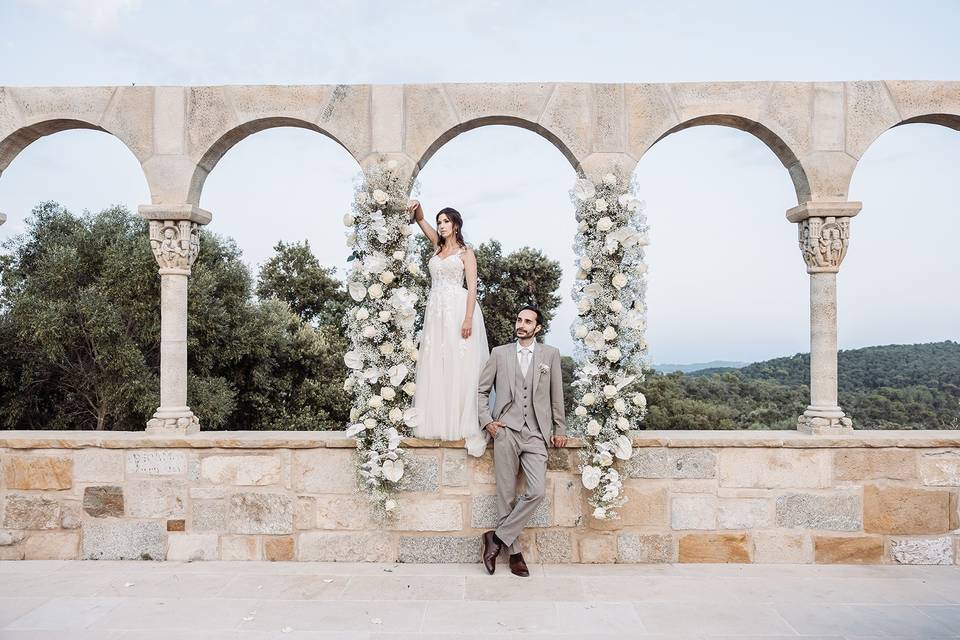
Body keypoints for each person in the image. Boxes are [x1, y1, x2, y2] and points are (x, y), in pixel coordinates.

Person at [476, 306, 567, 577]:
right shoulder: (499, 354)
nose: (522, 325)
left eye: (528, 321)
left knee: (536, 491)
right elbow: (481, 391)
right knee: (506, 494)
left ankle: (497, 537)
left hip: (537, 434)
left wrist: (560, 428)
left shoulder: (550, 355)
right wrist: (488, 422)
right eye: (519, 320)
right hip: (505, 431)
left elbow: (556, 396)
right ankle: (514, 554)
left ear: (538, 328)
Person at [407, 200, 489, 457]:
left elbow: (473, 287)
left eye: (446, 222)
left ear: (456, 226)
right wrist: (416, 205)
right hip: (436, 312)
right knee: (436, 363)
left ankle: (460, 424)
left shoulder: (466, 252)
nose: (441, 226)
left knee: (459, 363)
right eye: (439, 221)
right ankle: (437, 423)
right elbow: (420, 219)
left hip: (458, 309)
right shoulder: (436, 246)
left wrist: (467, 318)